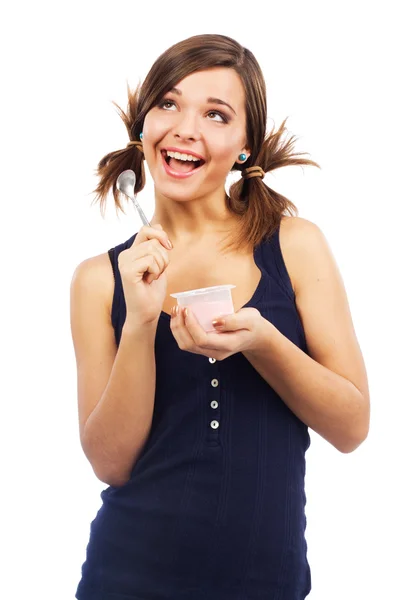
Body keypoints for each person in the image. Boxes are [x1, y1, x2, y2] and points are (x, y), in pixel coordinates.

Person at [70, 33, 370, 600]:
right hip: (126, 578)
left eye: (215, 114)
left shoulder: (294, 245)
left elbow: (352, 427)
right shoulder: (98, 280)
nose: (186, 127)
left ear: (245, 146)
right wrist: (139, 321)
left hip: (268, 584)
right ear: (142, 126)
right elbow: (111, 464)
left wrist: (263, 344)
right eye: (168, 103)